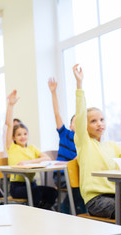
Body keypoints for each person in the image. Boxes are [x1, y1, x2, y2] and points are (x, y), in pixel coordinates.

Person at [73, 64, 121, 235]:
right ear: (85, 126)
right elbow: (80, 117)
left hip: (117, 195)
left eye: (102, 119)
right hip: (96, 201)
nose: (99, 123)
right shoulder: (84, 143)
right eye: (93, 121)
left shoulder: (111, 145)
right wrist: (79, 85)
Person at [5, 90, 57, 209]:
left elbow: (47, 158)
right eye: (19, 135)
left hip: (32, 184)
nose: (22, 137)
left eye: (25, 134)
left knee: (52, 192)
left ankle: (43, 211)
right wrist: (10, 105)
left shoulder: (32, 148)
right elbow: (9, 125)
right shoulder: (12, 147)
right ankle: (34, 213)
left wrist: (28, 162)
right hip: (17, 187)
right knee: (37, 193)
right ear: (13, 137)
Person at [48, 77, 86, 214]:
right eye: (76, 122)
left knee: (85, 184)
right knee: (78, 186)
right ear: (71, 126)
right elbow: (57, 113)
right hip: (63, 175)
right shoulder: (65, 134)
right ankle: (66, 208)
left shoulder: (85, 140)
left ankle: (81, 210)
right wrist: (53, 92)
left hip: (80, 175)